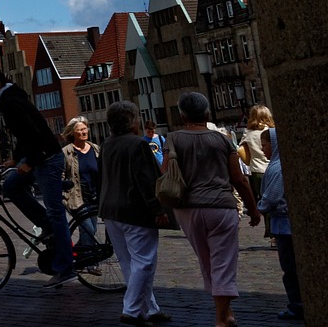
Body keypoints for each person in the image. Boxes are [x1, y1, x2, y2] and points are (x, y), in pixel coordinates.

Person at [0, 66, 75, 288]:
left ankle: (65, 267)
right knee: (11, 186)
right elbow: (23, 134)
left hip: (47, 158)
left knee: (56, 212)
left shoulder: (10, 102)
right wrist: (17, 159)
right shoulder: (9, 98)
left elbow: (32, 132)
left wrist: (29, 161)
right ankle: (46, 225)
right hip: (37, 156)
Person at [170, 92, 260, 327]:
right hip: (220, 206)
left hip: (188, 209)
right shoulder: (222, 140)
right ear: (207, 113)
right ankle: (222, 316)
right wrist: (254, 209)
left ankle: (225, 311)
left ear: (182, 115)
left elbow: (166, 174)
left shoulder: (174, 139)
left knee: (207, 260)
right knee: (223, 260)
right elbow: (239, 179)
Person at [99, 101, 173, 327]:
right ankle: (131, 309)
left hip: (111, 210)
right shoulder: (138, 145)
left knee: (128, 262)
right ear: (131, 121)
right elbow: (147, 181)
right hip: (134, 211)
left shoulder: (107, 144)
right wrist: (158, 209)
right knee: (144, 261)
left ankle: (150, 308)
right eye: (138, 117)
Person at [256, 128, 301, 321]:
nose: (262, 149)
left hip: (283, 224)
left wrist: (260, 206)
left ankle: (297, 305)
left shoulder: (277, 168)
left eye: (264, 145)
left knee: (290, 269)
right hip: (285, 223)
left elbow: (271, 197)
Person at [61, 116, 101, 246]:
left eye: (85, 129)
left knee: (92, 230)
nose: (84, 132)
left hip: (93, 197)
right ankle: (90, 262)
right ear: (72, 132)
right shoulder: (67, 152)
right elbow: (60, 174)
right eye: (80, 130)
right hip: (76, 197)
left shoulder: (95, 148)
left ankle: (77, 255)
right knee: (88, 230)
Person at [239, 105, 274, 239]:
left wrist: (249, 160)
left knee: (263, 200)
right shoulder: (270, 130)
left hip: (256, 171)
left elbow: (240, 149)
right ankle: (273, 231)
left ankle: (269, 230)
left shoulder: (248, 133)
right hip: (272, 167)